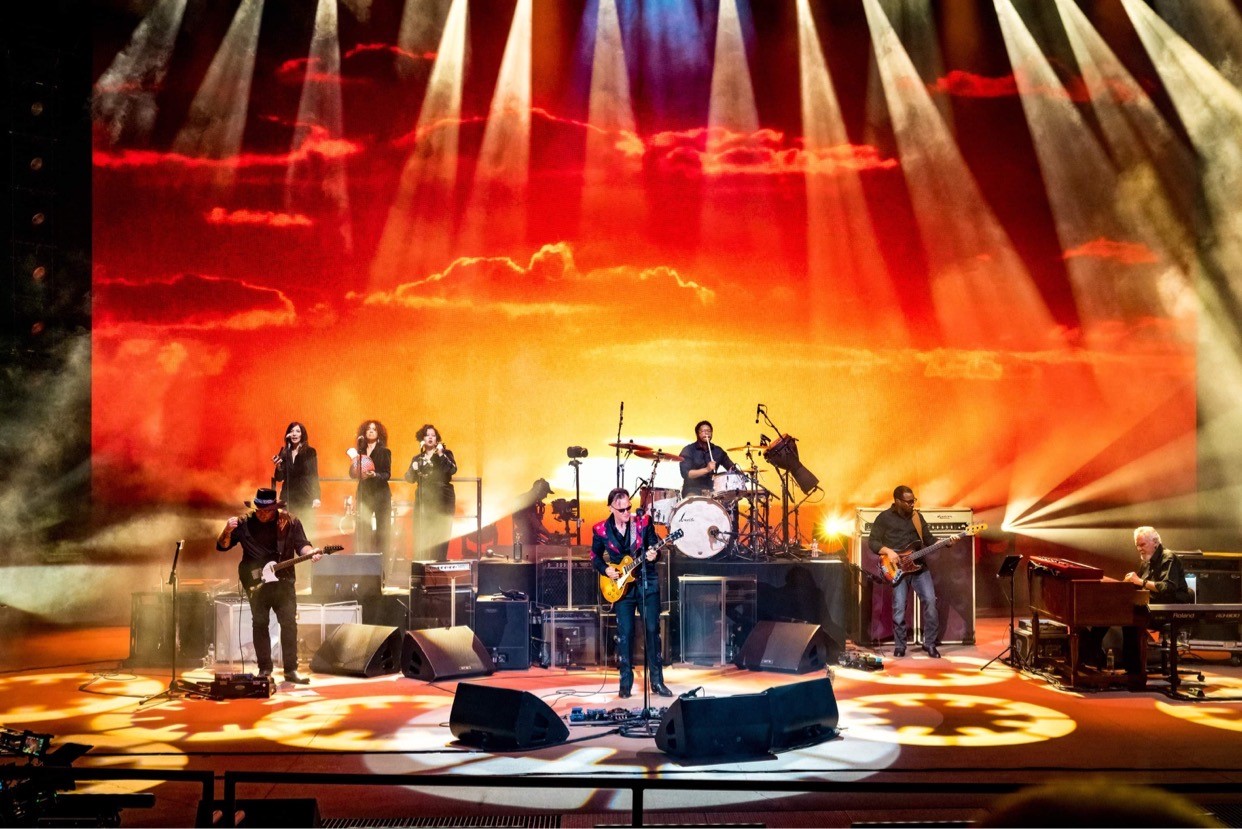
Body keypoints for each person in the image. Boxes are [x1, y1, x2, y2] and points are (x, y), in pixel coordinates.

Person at [217, 487, 322, 684]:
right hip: (256, 582)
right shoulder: (244, 523)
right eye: (259, 509)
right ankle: (264, 669)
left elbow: (302, 545)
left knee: (289, 624)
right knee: (259, 623)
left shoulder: (289, 521)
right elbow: (222, 546)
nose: (263, 514)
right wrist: (227, 530)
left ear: (275, 508)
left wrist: (311, 552)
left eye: (267, 510)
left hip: (283, 582)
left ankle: (291, 670)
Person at [590, 487, 673, 699]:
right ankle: (625, 684)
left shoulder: (642, 522)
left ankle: (657, 682)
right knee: (625, 634)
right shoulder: (601, 529)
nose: (627, 512)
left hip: (646, 582)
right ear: (611, 508)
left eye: (628, 507)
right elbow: (595, 557)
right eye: (622, 510)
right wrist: (605, 570)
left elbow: (654, 546)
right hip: (620, 586)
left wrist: (655, 554)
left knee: (652, 631)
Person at [867, 485, 958, 658]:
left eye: (913, 501)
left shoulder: (917, 517)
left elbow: (929, 539)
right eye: (908, 501)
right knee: (899, 608)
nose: (912, 504)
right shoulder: (884, 518)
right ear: (897, 501)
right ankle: (900, 645)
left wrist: (947, 542)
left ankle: (929, 643)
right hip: (897, 569)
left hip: (919, 567)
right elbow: (873, 542)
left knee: (930, 602)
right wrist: (888, 551)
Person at [404, 423, 457, 561]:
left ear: (437, 439)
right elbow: (409, 478)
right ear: (422, 439)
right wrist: (413, 469)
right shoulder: (418, 458)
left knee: (442, 530)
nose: (430, 438)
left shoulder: (446, 454)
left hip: (443, 495)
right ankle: (423, 564)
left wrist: (440, 454)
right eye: (427, 435)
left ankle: (439, 562)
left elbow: (452, 470)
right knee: (423, 530)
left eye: (433, 435)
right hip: (424, 497)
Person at [349, 420, 392, 558]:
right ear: (364, 432)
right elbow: (352, 474)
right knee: (363, 529)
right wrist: (355, 466)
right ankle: (364, 562)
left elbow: (387, 474)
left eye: (374, 429)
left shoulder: (384, 451)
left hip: (381, 495)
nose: (371, 431)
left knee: (383, 531)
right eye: (368, 429)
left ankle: (382, 564)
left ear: (379, 433)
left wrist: (375, 475)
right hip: (365, 494)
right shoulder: (359, 452)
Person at [1125, 526, 1192, 603]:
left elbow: (1168, 587)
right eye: (1137, 545)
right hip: (1151, 605)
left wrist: (1140, 581)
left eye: (1142, 544)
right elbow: (1138, 585)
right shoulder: (1146, 561)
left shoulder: (1168, 557)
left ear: (1155, 542)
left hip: (1170, 607)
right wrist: (1127, 583)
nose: (1139, 549)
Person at [272, 421, 320, 521]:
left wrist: (316, 497)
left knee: (304, 526)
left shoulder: (310, 452)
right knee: (287, 526)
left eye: (298, 431)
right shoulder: (284, 452)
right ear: (288, 435)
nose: (294, 434)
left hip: (305, 497)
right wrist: (279, 467)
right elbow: (279, 478)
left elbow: (314, 475)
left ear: (302, 434)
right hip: (288, 498)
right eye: (291, 431)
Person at [678, 420, 739, 497]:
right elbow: (686, 474)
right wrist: (707, 469)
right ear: (697, 433)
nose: (706, 433)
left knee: (730, 498)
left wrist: (740, 476)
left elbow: (731, 468)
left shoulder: (718, 451)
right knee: (694, 500)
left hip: (713, 489)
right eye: (703, 431)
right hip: (692, 489)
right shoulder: (688, 450)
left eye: (709, 431)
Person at [512, 478, 554, 549]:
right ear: (539, 491)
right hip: (527, 540)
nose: (546, 496)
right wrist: (550, 535)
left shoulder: (527, 498)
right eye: (545, 492)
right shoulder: (529, 500)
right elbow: (535, 523)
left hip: (524, 537)